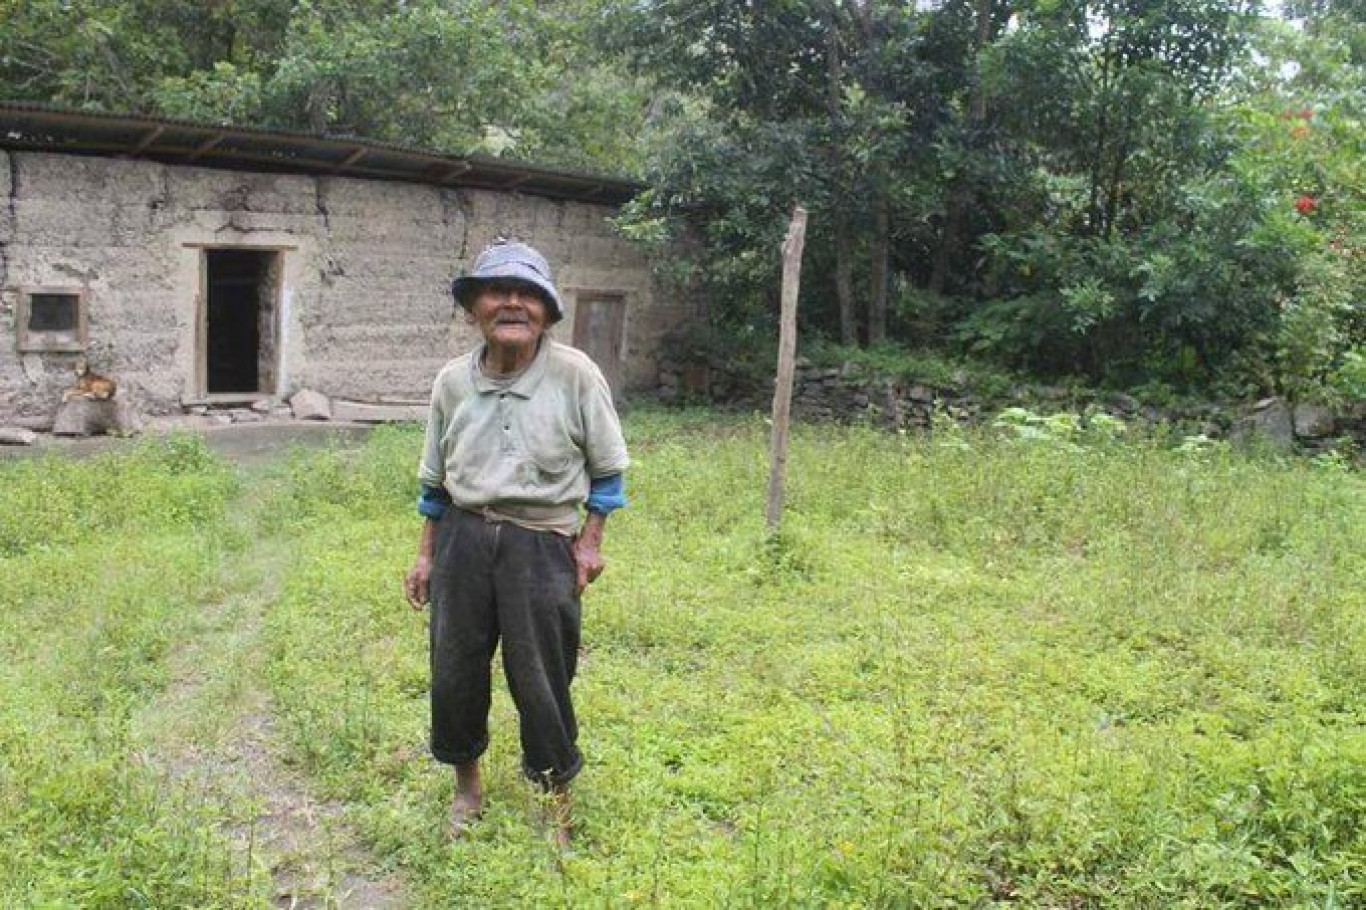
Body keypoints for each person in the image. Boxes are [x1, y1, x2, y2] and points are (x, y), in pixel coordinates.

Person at [403, 240, 628, 848]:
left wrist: (590, 542)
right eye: (497, 292)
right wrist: (425, 554)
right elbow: (434, 483)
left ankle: (555, 800)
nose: (512, 304)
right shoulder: (452, 382)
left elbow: (608, 474)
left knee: (542, 678)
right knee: (455, 669)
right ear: (473, 308)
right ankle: (467, 788)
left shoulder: (575, 374)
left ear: (547, 311)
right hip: (463, 539)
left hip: (541, 543)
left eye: (527, 294)